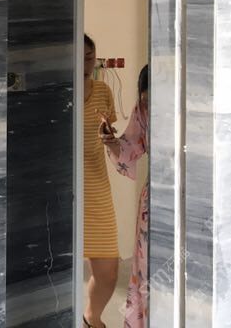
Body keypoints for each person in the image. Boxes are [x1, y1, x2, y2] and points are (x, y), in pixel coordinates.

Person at [102, 65, 149, 328]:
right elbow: (130, 147)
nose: (149, 105)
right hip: (156, 200)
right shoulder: (143, 108)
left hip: (199, 195)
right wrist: (110, 140)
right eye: (146, 99)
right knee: (147, 266)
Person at [83, 34, 119, 328]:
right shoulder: (56, 91)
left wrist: (109, 139)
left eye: (90, 57)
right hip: (61, 188)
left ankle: (91, 318)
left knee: (109, 271)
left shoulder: (103, 92)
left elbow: (112, 141)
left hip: (96, 187)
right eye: (80, 57)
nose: (86, 64)